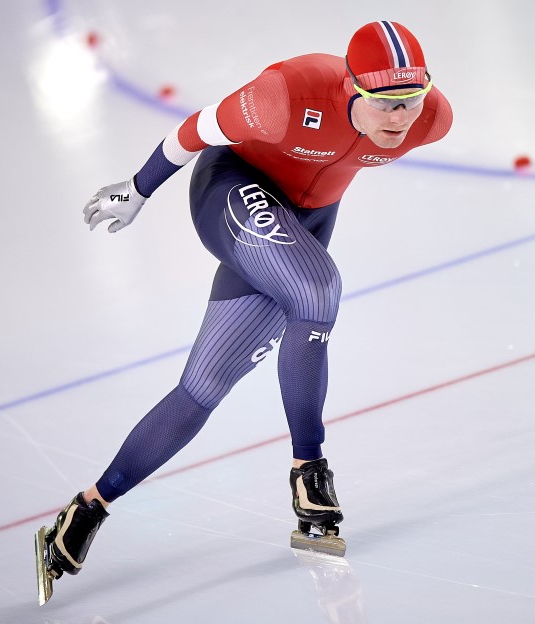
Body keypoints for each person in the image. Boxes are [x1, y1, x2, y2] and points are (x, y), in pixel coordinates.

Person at [35, 19, 452, 603]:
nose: (401, 118)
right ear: (353, 89)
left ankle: (87, 508)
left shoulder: (431, 120)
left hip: (303, 224)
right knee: (317, 291)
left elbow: (393, 124)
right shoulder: (288, 96)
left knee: (202, 389)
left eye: (411, 101)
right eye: (385, 104)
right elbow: (197, 127)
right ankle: (311, 472)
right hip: (232, 188)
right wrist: (137, 189)